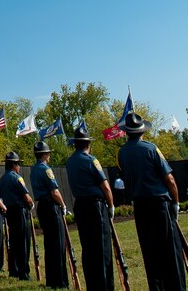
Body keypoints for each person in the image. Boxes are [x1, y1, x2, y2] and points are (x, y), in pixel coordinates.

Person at [116, 112, 186, 291]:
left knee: (150, 252)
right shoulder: (150, 149)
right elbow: (169, 179)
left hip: (140, 206)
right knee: (170, 251)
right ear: (142, 131)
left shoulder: (121, 153)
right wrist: (176, 202)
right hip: (159, 204)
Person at [66, 123, 115, 291]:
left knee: (88, 248)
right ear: (88, 144)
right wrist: (111, 206)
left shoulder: (70, 162)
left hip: (80, 205)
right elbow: (106, 187)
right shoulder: (91, 160)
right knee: (102, 249)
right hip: (95, 207)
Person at [30, 140, 69, 289]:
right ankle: (60, 281)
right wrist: (63, 205)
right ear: (45, 154)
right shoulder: (46, 169)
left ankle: (52, 280)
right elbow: (55, 191)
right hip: (51, 206)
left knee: (49, 244)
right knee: (58, 244)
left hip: (42, 206)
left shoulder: (34, 169)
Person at [0, 151, 34, 281]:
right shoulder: (16, 178)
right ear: (14, 165)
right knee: (23, 242)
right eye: (18, 164)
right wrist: (31, 205)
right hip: (19, 212)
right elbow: (27, 197)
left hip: (9, 212)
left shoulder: (1, 180)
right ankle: (23, 272)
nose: (19, 167)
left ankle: (13, 269)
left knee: (13, 241)